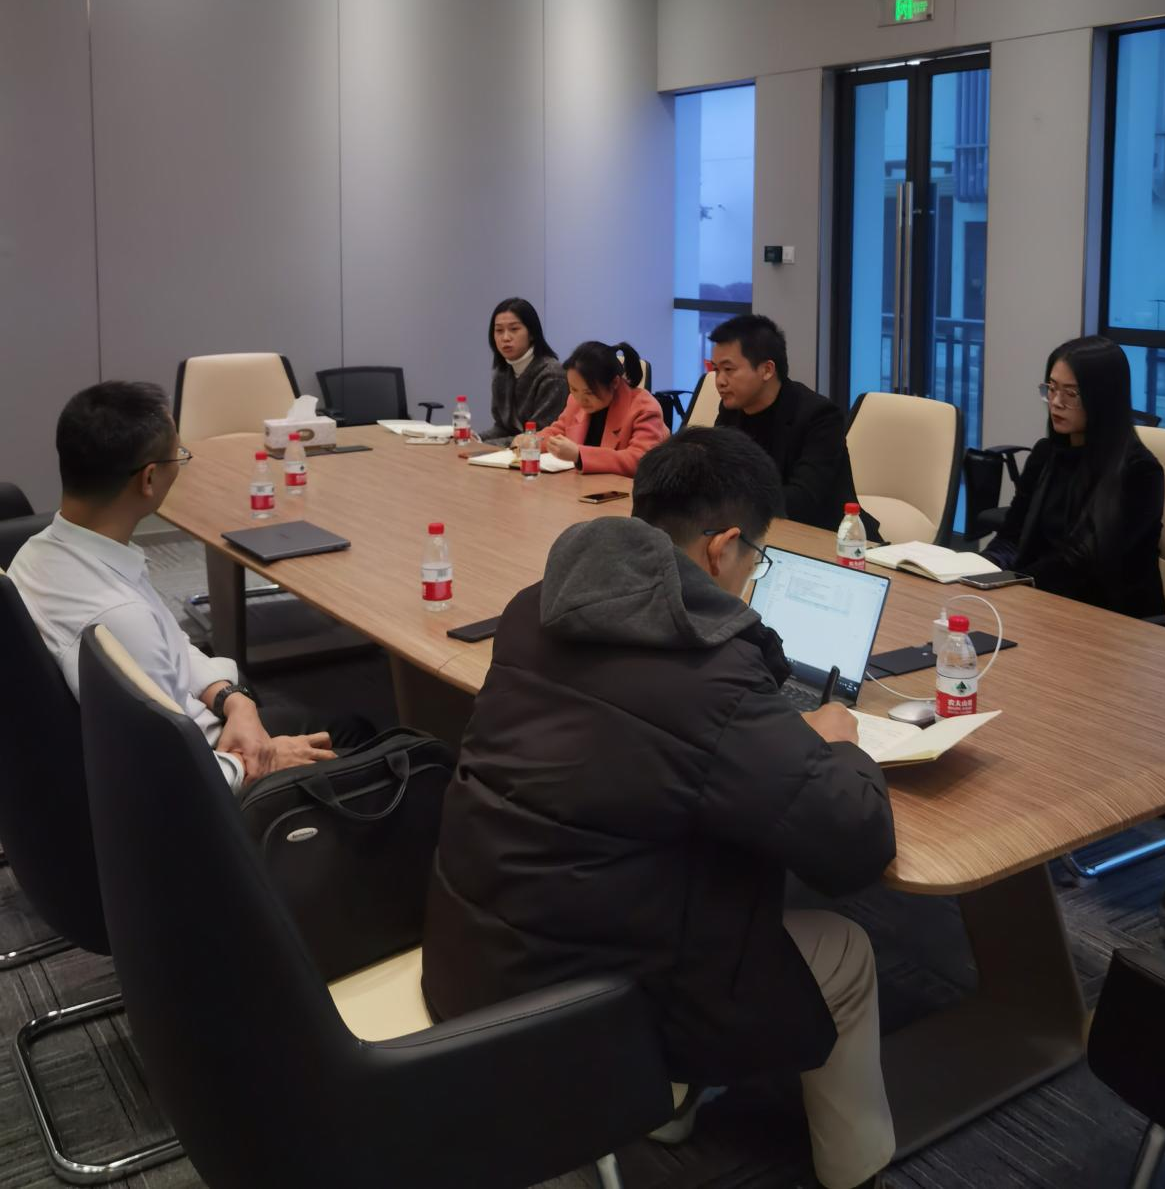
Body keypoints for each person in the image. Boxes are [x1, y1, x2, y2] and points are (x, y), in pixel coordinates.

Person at [424, 426, 895, 1189]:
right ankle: (856, 1170)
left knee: (704, 866)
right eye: (755, 560)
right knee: (845, 949)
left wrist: (766, 738)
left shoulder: (532, 607)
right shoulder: (709, 674)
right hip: (584, 1006)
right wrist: (838, 744)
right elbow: (855, 842)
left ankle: (668, 1102)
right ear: (723, 548)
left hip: (471, 954)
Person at [8, 381, 370, 792]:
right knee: (378, 744)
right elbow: (168, 777)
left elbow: (172, 643)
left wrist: (234, 700)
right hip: (211, 777)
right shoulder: (118, 617)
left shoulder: (39, 553)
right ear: (149, 479)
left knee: (349, 726)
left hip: (203, 732)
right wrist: (258, 761)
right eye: (177, 455)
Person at [984, 335, 1165, 618]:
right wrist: (979, 569)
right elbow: (1011, 537)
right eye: (1051, 388)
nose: (1056, 402)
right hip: (1036, 601)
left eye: (1071, 394)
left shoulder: (1140, 473)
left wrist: (1015, 584)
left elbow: (1084, 561)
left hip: (1108, 618)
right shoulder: (1045, 455)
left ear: (1102, 399)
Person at [709, 314, 876, 537]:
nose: (719, 381)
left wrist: (729, 499)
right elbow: (714, 475)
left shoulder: (820, 416)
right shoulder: (731, 411)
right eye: (715, 369)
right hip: (758, 533)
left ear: (767, 370)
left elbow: (802, 499)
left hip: (830, 540)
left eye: (728, 370)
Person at [517, 339, 668, 477]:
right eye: (573, 389)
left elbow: (640, 461)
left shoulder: (645, 408)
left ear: (614, 383)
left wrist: (579, 455)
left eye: (589, 392)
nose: (580, 399)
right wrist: (532, 441)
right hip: (584, 485)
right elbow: (559, 430)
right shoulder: (575, 401)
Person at [480, 297, 568, 444]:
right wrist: (475, 439)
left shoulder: (553, 375)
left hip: (539, 452)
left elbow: (538, 435)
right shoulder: (502, 374)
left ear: (532, 333)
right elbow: (503, 427)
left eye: (514, 329)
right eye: (499, 330)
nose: (505, 338)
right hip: (513, 452)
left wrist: (485, 446)